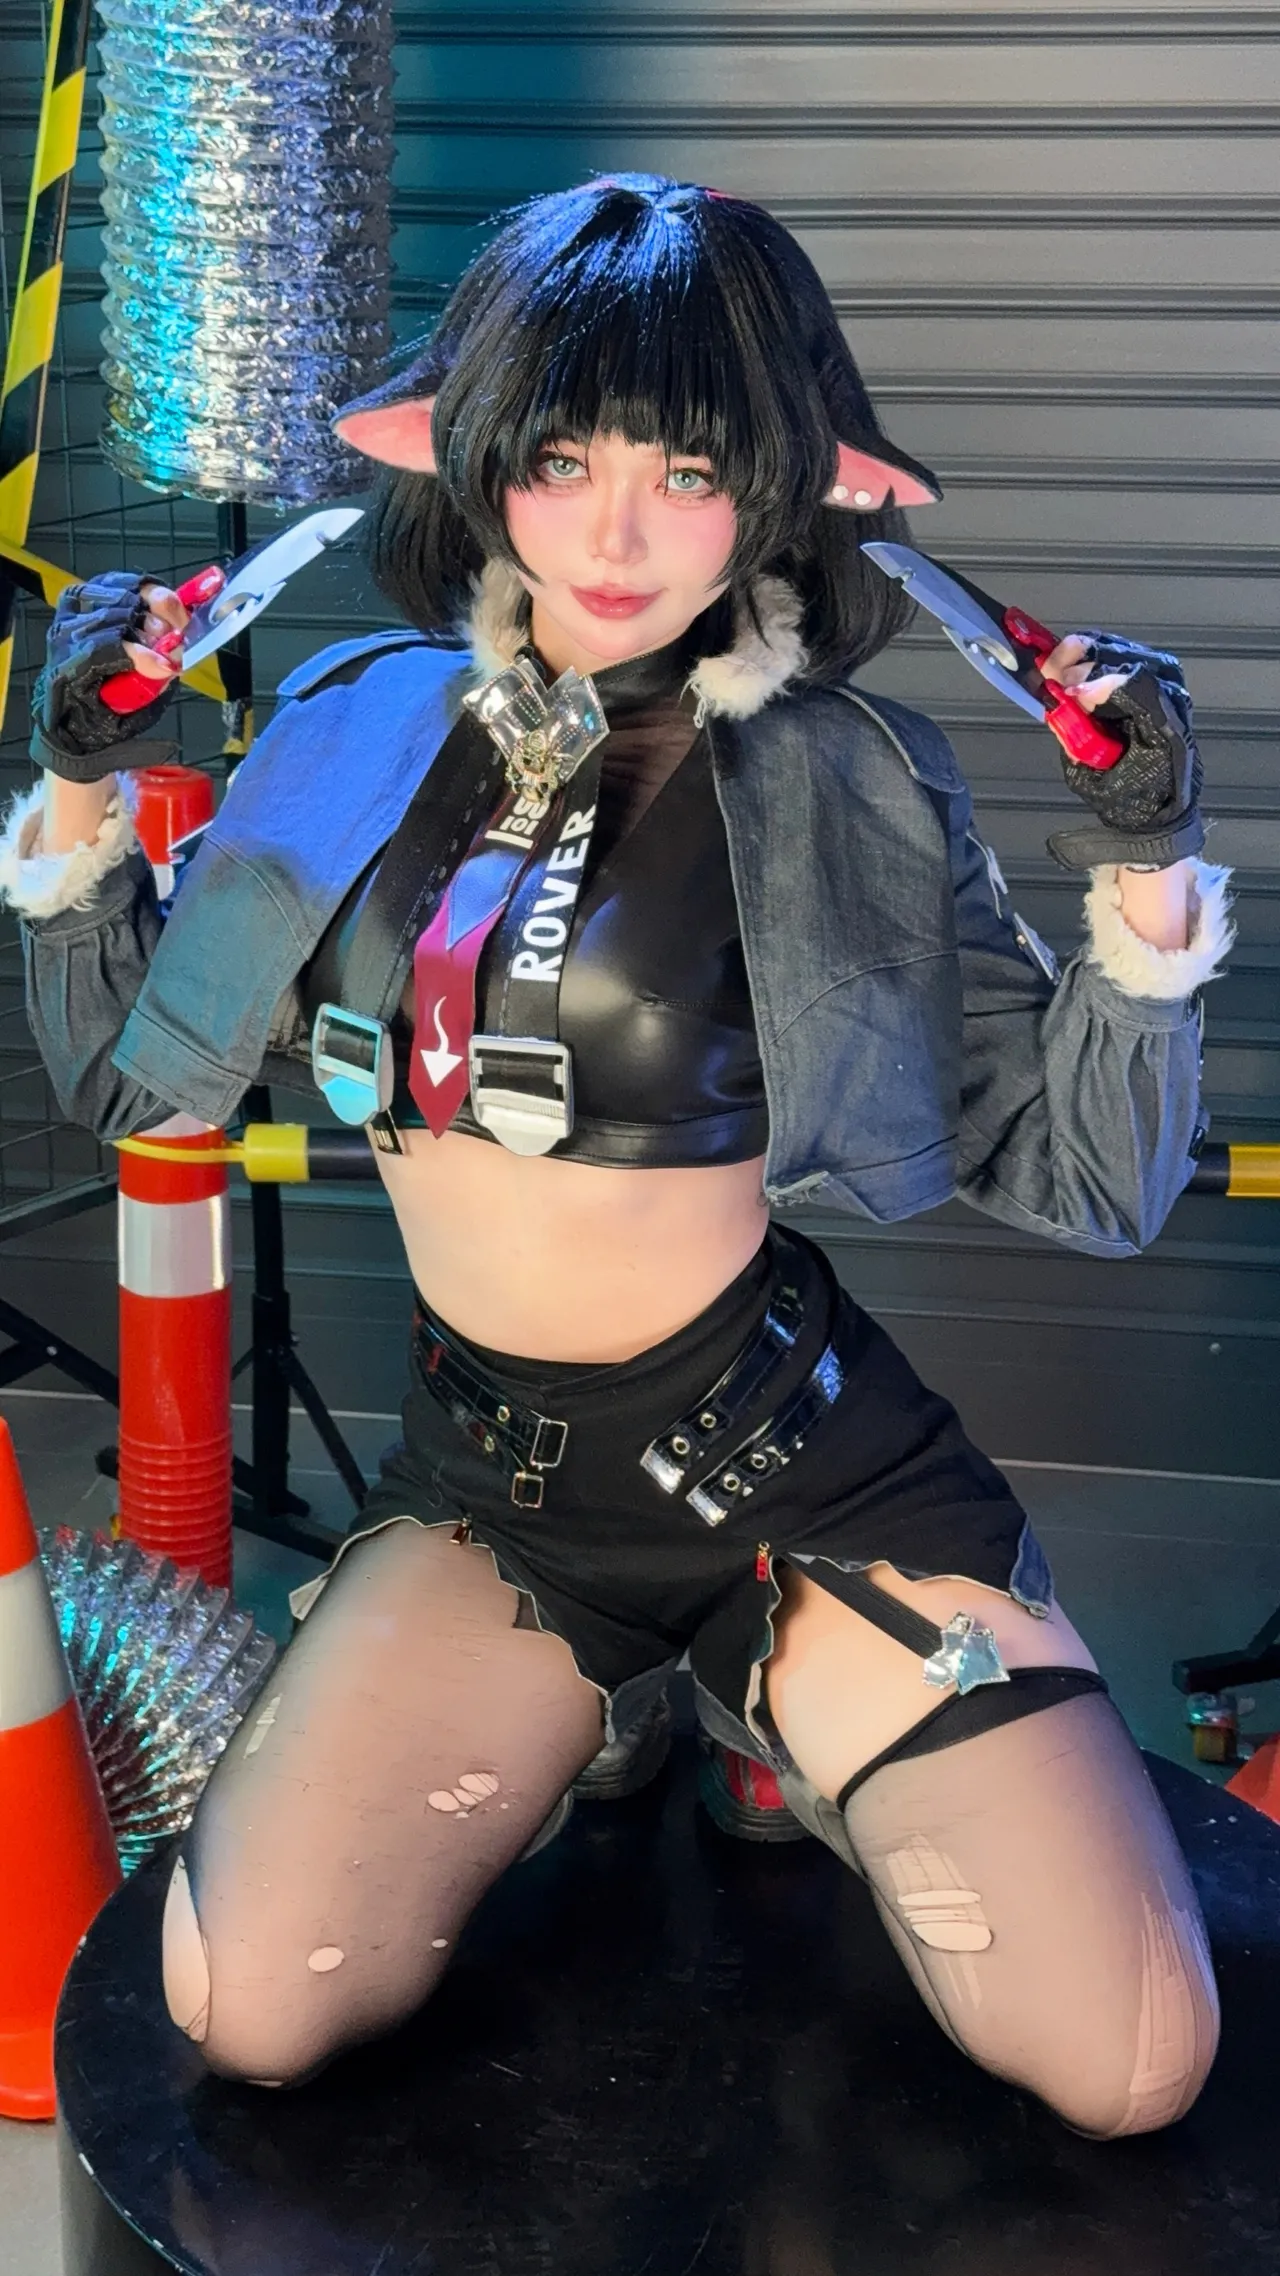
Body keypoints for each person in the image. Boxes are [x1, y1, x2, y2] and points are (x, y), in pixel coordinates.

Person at [1, 175, 1229, 2135]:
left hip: (802, 1478)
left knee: (1130, 2055)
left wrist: (1150, 869)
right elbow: (138, 1082)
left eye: (688, 471)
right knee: (245, 2006)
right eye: (561, 460)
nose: (614, 533)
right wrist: (74, 786)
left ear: (790, 484)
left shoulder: (842, 769)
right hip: (493, 1491)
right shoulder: (346, 726)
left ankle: (772, 1705)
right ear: (464, 451)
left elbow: (1083, 1174)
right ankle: (622, 1695)